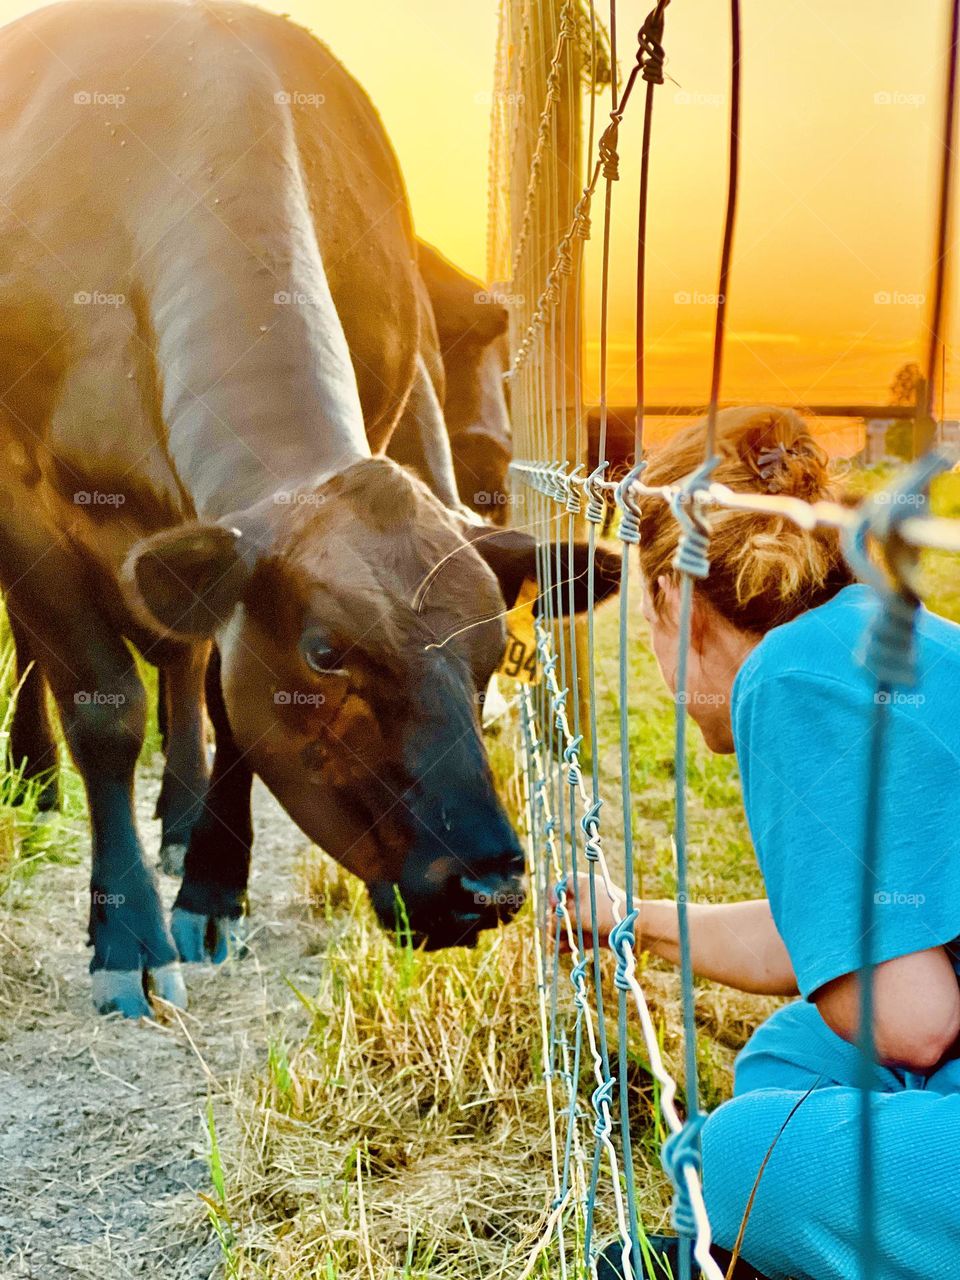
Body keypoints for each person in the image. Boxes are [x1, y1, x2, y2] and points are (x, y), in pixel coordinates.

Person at [556, 407, 960, 1280]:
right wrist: (633, 922)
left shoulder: (788, 677)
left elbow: (913, 1022)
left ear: (673, 596)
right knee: (790, 1051)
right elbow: (860, 938)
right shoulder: (874, 636)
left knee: (734, 1158)